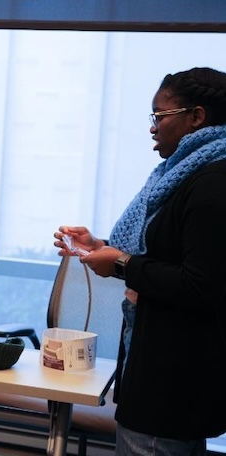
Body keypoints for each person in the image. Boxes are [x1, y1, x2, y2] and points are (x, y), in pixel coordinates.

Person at [55, 67, 226, 455]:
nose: (152, 128)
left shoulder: (213, 183)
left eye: (160, 116)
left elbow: (200, 285)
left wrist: (120, 264)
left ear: (197, 117)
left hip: (171, 377)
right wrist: (100, 245)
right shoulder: (185, 174)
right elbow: (165, 255)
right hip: (163, 367)